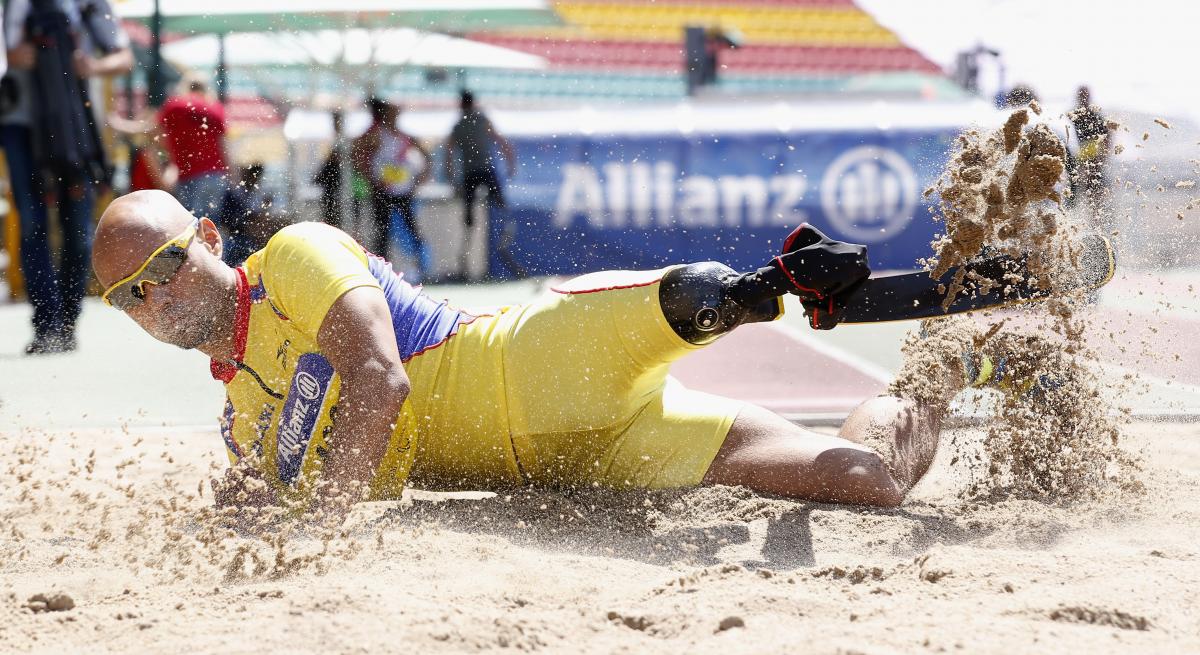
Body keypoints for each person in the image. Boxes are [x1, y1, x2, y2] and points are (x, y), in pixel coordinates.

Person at [93, 189, 954, 520]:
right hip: (596, 456)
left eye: (163, 266)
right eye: (127, 294)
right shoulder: (241, 411)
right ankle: (946, 366)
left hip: (535, 363)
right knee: (870, 481)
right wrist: (244, 503)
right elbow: (263, 489)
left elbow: (379, 380)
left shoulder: (291, 259)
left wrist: (316, 524)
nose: (154, 297)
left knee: (704, 299)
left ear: (207, 237)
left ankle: (772, 284)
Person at [2, 0, 133, 353]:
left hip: (76, 128)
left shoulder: (88, 4)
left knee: (78, 230)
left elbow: (123, 58)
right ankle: (46, 323)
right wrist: (9, 58)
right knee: (32, 224)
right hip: (19, 124)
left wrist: (90, 66)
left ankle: (68, 319)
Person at [109, 75, 228, 217]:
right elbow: (224, 146)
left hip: (191, 175)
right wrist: (232, 176)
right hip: (216, 176)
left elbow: (150, 128)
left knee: (191, 224)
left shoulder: (176, 105)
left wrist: (119, 125)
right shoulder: (216, 108)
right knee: (211, 224)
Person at [350, 97, 431, 278]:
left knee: (411, 229)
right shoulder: (376, 134)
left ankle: (421, 267)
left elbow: (426, 156)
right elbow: (356, 154)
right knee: (382, 232)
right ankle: (382, 271)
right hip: (383, 189)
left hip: (402, 189)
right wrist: (370, 177)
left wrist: (420, 178)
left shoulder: (404, 136)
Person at [444, 90, 516, 281]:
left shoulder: (459, 125)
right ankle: (503, 248)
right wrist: (510, 163)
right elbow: (502, 142)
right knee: (500, 209)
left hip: (472, 173)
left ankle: (469, 259)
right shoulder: (479, 121)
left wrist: (451, 177)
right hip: (483, 171)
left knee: (470, 219)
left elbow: (449, 153)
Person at [1069, 86, 1113, 227]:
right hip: (1074, 163)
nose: (1083, 99)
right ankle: (1071, 225)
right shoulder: (1072, 117)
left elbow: (1107, 140)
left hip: (1094, 163)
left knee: (1096, 199)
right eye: (1081, 96)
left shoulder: (1096, 117)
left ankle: (1097, 227)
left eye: (1085, 96)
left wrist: (1100, 160)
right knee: (1071, 197)